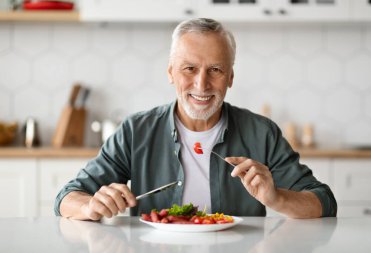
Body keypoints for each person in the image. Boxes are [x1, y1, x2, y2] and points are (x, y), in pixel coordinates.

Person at [55, 18, 337, 221]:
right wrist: (91, 206)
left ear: (230, 78)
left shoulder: (261, 132)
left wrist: (276, 197)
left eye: (215, 69)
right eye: (189, 68)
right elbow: (67, 197)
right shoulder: (135, 131)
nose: (202, 85)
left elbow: (323, 202)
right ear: (170, 73)